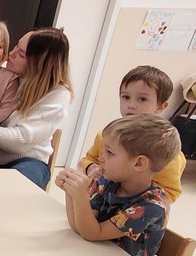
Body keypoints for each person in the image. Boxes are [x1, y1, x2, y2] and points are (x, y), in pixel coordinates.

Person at [56, 115, 181, 256]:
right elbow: (80, 227)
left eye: (109, 152)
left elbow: (93, 233)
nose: (101, 158)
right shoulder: (109, 182)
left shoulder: (152, 207)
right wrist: (71, 192)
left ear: (139, 163)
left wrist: (80, 196)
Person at [0, 27, 73, 190]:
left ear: (39, 64)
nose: (11, 54)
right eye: (16, 46)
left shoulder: (58, 94)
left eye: (22, 54)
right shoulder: (5, 74)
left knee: (16, 185)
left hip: (27, 161)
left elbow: (20, 141)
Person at [79, 65, 185, 202]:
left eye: (142, 99)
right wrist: (91, 167)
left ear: (161, 106)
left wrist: (133, 192)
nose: (131, 105)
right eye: (126, 97)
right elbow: (88, 160)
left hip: (137, 210)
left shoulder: (166, 150)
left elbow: (170, 192)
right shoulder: (105, 136)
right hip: (99, 203)